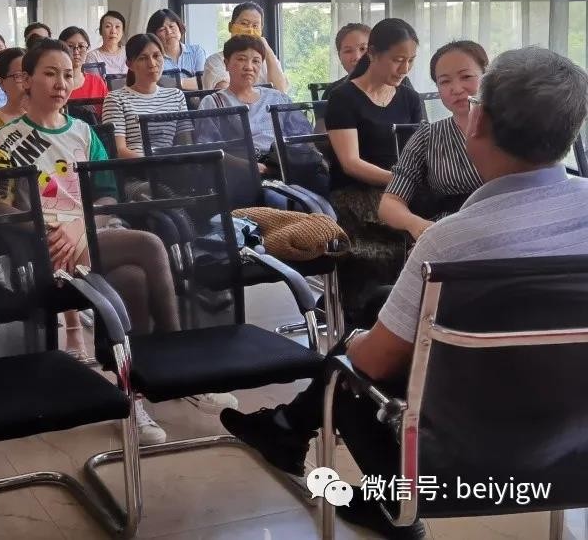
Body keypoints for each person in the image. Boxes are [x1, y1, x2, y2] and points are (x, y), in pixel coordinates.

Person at [219, 47, 588, 540]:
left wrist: (354, 345)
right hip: (572, 433)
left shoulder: (450, 242)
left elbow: (373, 363)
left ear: (478, 120)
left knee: (347, 370)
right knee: (381, 304)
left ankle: (393, 504)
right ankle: (285, 428)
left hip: (468, 447)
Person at [0, 40, 234, 444]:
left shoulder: (83, 132)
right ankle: (181, 368)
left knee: (133, 278)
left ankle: (131, 396)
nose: (60, 82)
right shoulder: (8, 139)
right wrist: (48, 228)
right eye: (49, 73)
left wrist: (81, 225)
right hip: (48, 247)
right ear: (26, 80)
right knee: (150, 245)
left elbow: (105, 195)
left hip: (89, 236)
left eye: (68, 74)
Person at [325, 18, 424, 323]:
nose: (404, 68)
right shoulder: (343, 98)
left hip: (399, 188)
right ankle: (371, 318)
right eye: (397, 60)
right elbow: (350, 163)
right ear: (373, 54)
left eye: (410, 60)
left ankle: (424, 317)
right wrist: (400, 180)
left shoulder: (409, 98)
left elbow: (419, 151)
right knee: (394, 233)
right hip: (355, 193)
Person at [378, 41, 487, 241]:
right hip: (448, 233)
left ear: (487, 77)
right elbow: (390, 202)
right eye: (444, 82)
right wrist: (417, 225)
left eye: (466, 77)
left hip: (508, 227)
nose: (456, 88)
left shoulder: (511, 129)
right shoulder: (427, 136)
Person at [197, 35, 301, 174]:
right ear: (226, 64)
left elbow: (300, 137)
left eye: (256, 61)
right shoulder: (213, 103)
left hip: (283, 166)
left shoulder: (277, 98)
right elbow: (207, 150)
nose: (249, 67)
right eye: (241, 59)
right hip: (240, 173)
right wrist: (251, 166)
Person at [102, 34, 191, 159]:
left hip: (172, 166)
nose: (152, 63)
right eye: (143, 58)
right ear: (129, 64)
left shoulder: (176, 96)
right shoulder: (115, 99)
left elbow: (186, 144)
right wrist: (153, 163)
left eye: (156, 56)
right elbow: (119, 151)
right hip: (136, 168)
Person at [201, 3, 289, 93]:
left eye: (255, 26)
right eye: (244, 24)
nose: (250, 30)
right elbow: (228, 97)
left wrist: (267, 50)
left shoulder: (267, 60)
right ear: (230, 26)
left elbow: (281, 92)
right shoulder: (215, 61)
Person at [145, 8, 204, 90]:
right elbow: (153, 85)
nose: (169, 32)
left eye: (171, 26)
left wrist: (172, 82)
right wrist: (192, 82)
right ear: (154, 35)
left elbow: (205, 82)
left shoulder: (196, 51)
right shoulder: (152, 58)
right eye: (162, 29)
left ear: (179, 27)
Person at [321, 22, 372, 99]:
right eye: (348, 51)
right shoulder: (332, 92)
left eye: (363, 49)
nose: (357, 57)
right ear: (339, 56)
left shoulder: (390, 89)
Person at [61, 26, 109, 106]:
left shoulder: (97, 82)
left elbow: (107, 111)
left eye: (81, 46)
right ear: (60, 50)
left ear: (87, 49)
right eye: (70, 46)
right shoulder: (54, 83)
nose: (76, 52)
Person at [84, 11, 128, 75]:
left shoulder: (129, 52)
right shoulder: (93, 56)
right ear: (100, 31)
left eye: (117, 26)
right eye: (108, 26)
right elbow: (94, 80)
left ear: (122, 32)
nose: (113, 31)